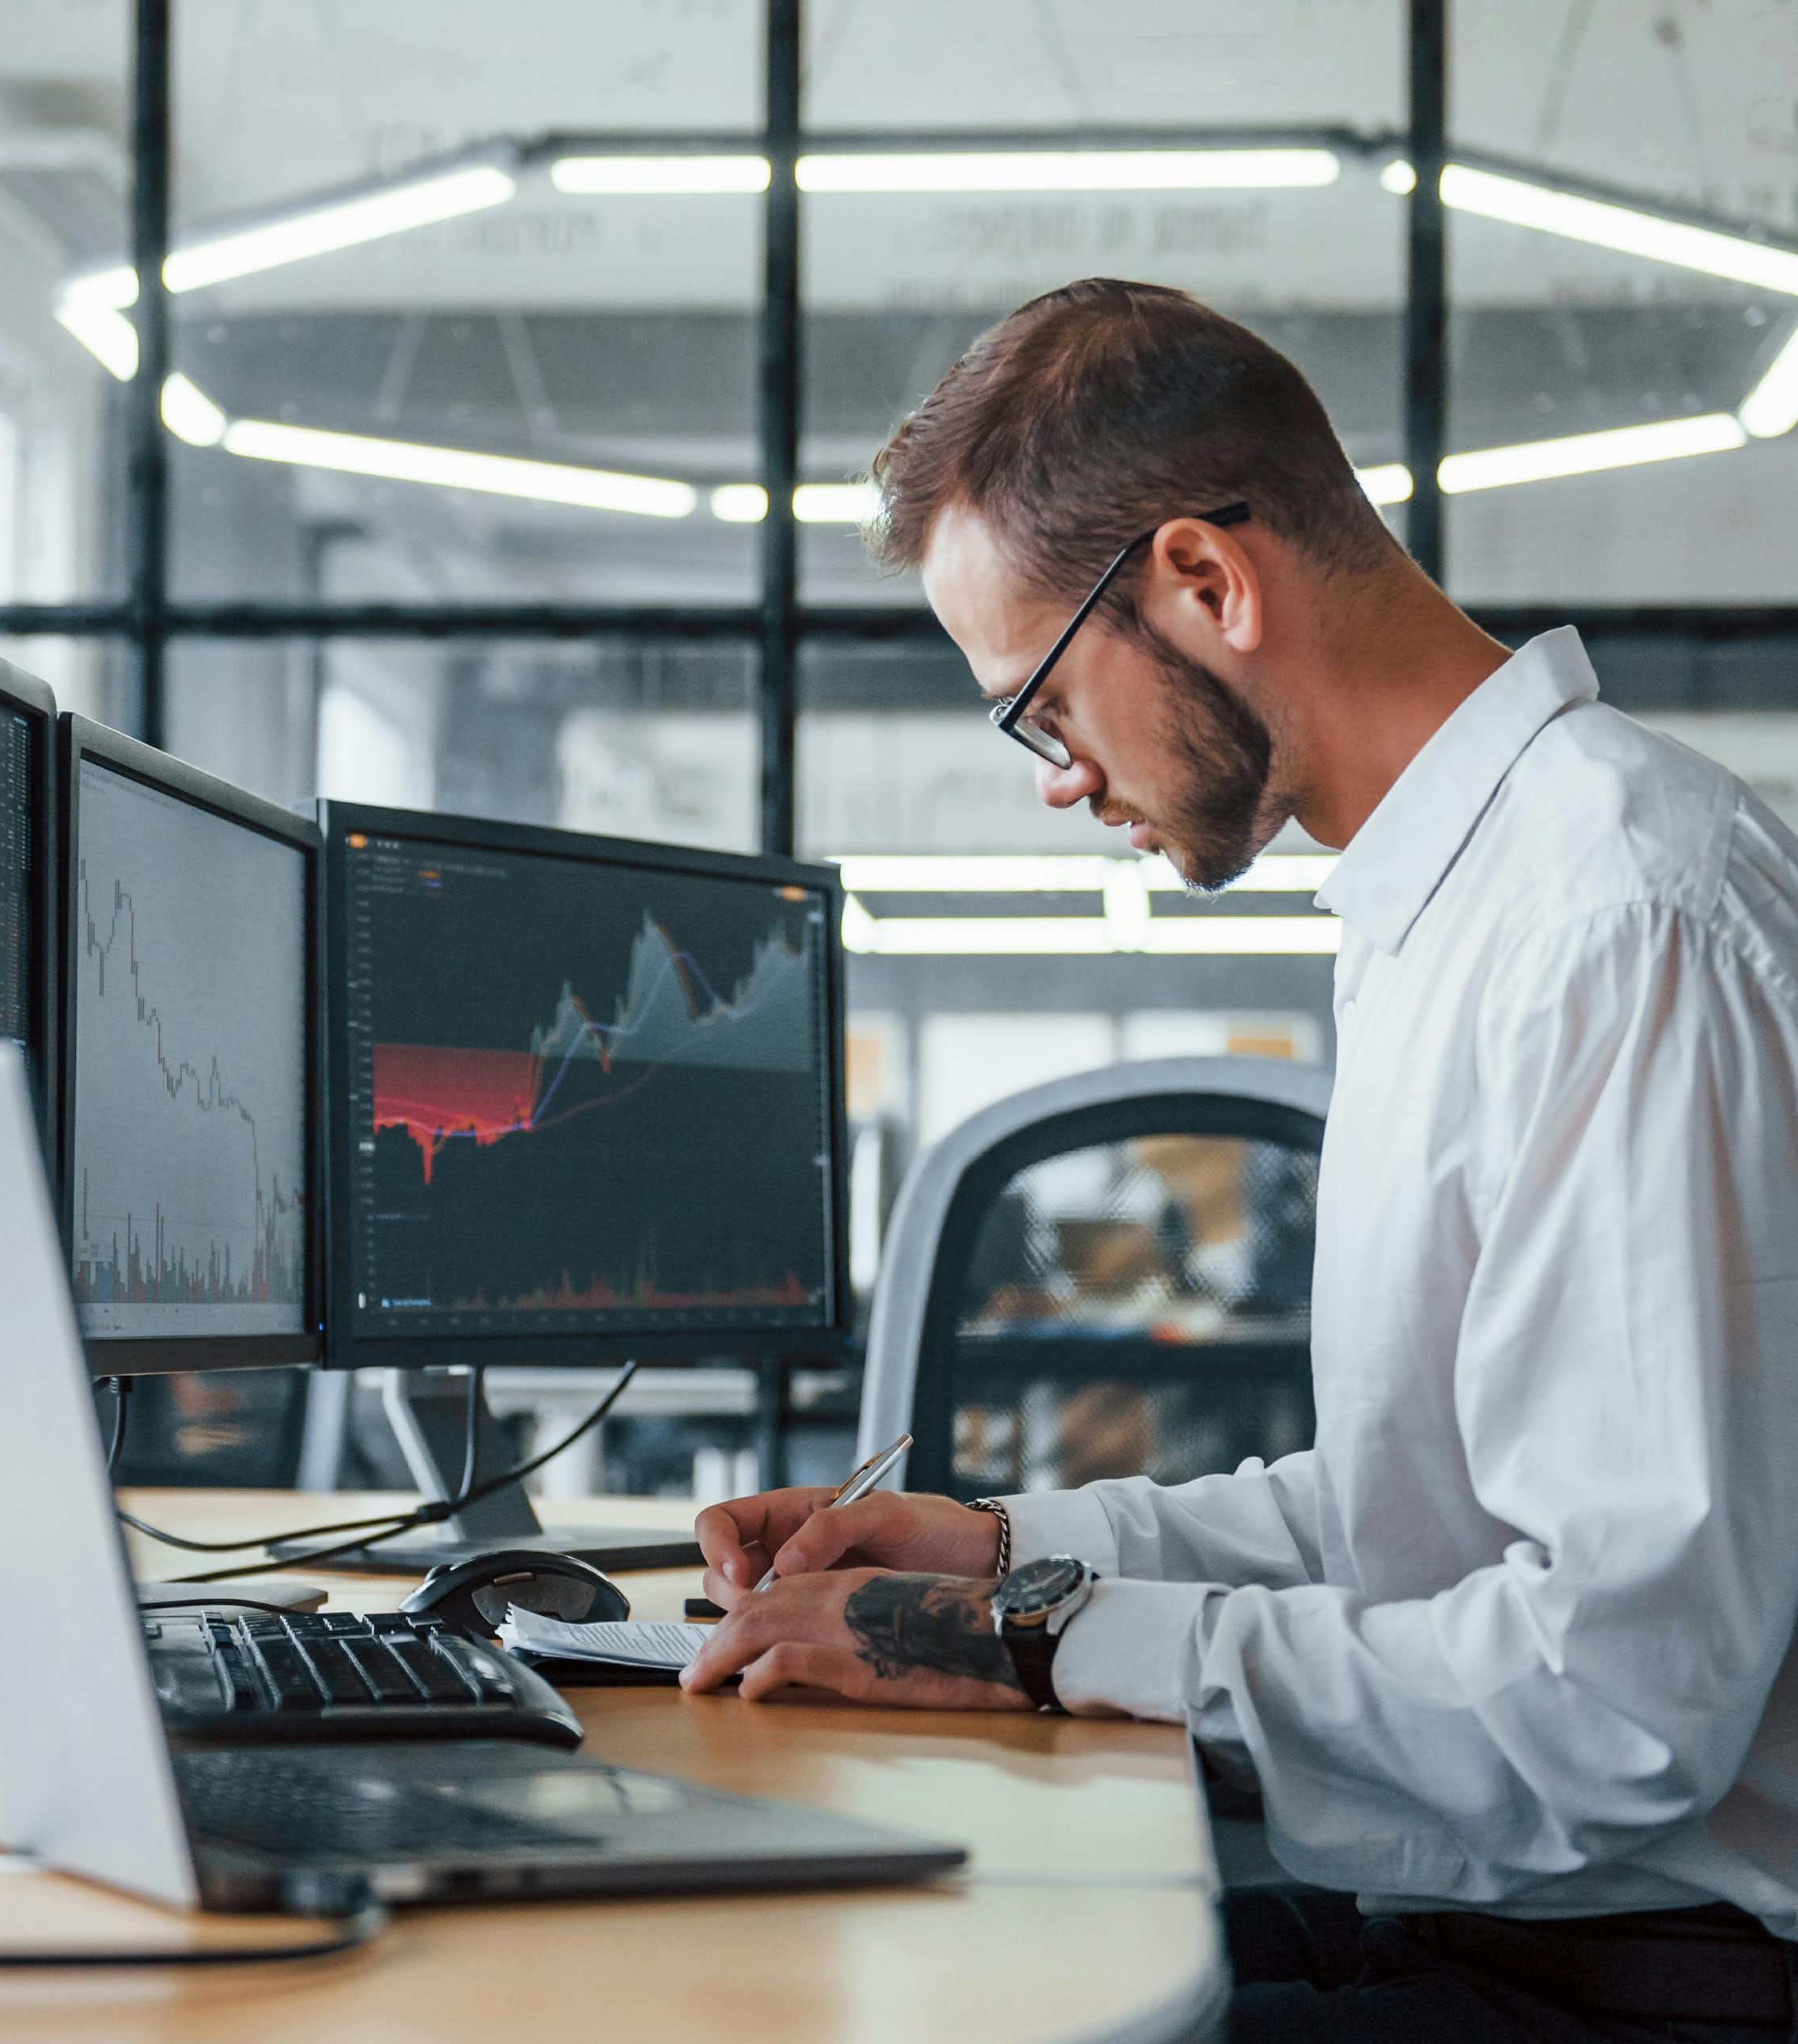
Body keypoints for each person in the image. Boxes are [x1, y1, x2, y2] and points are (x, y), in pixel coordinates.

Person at [679, 278, 1798, 2042]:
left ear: (1205, 579)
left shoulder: (1614, 917)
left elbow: (1616, 1694)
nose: (1055, 777)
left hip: (1648, 1984)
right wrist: (990, 1550)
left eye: (1038, 702)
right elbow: (1398, 1518)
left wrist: (1024, 1644)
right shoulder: (1458, 902)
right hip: (1492, 1919)